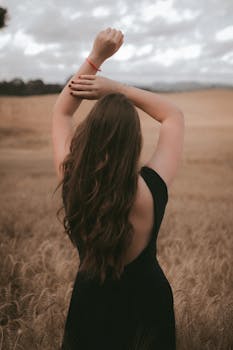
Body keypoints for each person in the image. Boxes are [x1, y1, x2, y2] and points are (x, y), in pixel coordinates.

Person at [52, 27, 185, 350]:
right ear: (134, 142)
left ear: (89, 134)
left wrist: (96, 58)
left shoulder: (73, 179)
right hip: (149, 306)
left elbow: (62, 111)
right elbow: (173, 116)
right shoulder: (151, 187)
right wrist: (118, 89)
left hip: (90, 307)